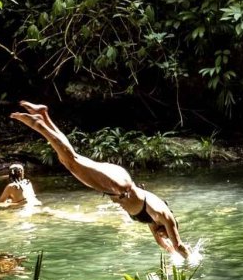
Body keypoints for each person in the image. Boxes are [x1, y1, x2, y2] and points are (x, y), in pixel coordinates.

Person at [11, 100, 191, 260]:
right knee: (71, 161)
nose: (164, 236)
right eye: (167, 234)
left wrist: (171, 252)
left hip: (119, 182)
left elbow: (165, 245)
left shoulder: (155, 221)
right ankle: (39, 126)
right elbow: (178, 246)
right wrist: (191, 260)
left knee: (70, 160)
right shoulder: (166, 217)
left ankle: (44, 115)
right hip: (120, 187)